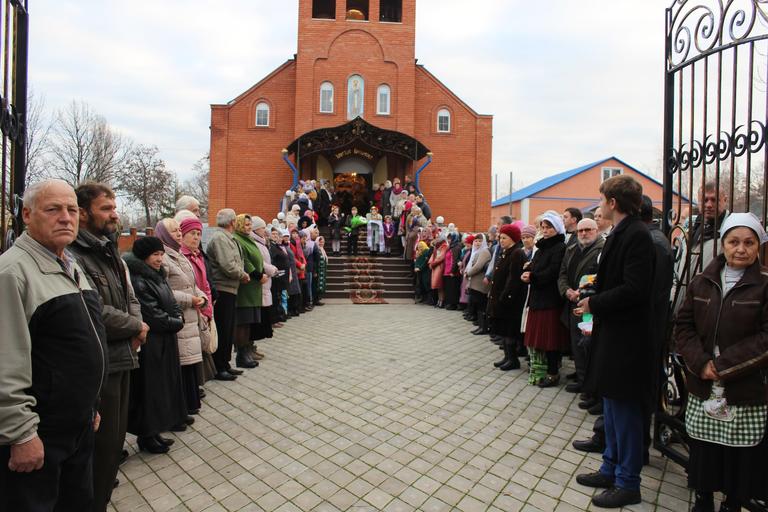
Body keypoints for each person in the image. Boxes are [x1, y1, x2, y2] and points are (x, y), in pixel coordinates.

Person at [0, 180, 107, 512]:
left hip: (77, 426)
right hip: (39, 434)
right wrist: (20, 433)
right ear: (27, 214)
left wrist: (90, 405)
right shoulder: (12, 272)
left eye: (72, 209)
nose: (66, 217)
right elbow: (5, 361)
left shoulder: (69, 263)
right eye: (53, 209)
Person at [674, 212, 768, 512]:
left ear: (758, 247)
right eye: (734, 241)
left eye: (749, 242)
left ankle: (732, 503)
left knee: (739, 454)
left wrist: (723, 366)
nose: (741, 249)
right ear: (723, 244)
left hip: (744, 386)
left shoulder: (764, 286)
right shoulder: (702, 282)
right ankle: (702, 500)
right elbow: (683, 326)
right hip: (704, 383)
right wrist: (701, 363)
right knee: (705, 450)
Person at [575, 174, 655, 508]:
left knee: (625, 414)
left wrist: (595, 302)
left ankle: (628, 482)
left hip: (627, 340)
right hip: (613, 335)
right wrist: (593, 292)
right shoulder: (621, 233)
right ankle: (610, 467)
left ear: (613, 202)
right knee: (611, 408)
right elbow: (615, 281)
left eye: (602, 199)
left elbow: (635, 290)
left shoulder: (636, 235)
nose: (598, 204)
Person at [69, 182, 147, 511]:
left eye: (114, 208)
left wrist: (138, 323)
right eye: (106, 208)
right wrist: (135, 325)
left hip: (123, 354)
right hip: (103, 360)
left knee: (113, 446)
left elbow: (129, 296)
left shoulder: (108, 248)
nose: (114, 214)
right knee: (100, 451)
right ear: (84, 213)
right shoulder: (75, 253)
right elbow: (93, 306)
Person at [123, 237, 187, 454]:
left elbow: (171, 303)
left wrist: (177, 318)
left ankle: (156, 431)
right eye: (155, 255)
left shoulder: (157, 276)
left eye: (161, 254)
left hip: (165, 339)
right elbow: (153, 314)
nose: (160, 259)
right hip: (152, 342)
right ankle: (146, 435)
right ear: (144, 257)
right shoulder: (140, 280)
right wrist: (176, 322)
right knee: (150, 390)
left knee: (161, 388)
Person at [155, 218, 206, 421]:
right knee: (182, 364)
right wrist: (190, 299)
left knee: (190, 364)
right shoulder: (163, 257)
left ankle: (188, 405)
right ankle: (179, 410)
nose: (178, 234)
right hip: (180, 316)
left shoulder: (179, 255)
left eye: (178, 230)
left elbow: (191, 283)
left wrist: (201, 296)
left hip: (192, 315)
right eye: (173, 231)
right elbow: (164, 290)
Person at [521, 212, 568, 388]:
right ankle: (541, 369)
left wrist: (532, 276)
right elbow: (536, 266)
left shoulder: (560, 247)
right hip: (537, 297)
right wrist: (528, 270)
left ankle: (553, 372)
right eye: (543, 227)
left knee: (550, 340)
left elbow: (553, 272)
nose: (545, 230)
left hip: (550, 299)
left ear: (557, 228)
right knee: (539, 339)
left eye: (549, 227)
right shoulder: (541, 248)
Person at [557, 218, 604, 393]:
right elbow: (562, 273)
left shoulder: (602, 249)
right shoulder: (571, 249)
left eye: (588, 230)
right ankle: (582, 378)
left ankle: (589, 385)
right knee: (577, 343)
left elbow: (601, 277)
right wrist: (566, 290)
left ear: (596, 230)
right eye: (580, 231)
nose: (583, 234)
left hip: (590, 304)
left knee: (588, 346)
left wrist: (581, 292)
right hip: (572, 302)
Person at [206, 208, 250, 381]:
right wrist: (243, 274)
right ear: (232, 222)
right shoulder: (220, 238)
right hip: (223, 288)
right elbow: (227, 265)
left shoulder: (227, 238)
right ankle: (219, 367)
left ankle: (225, 364)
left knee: (228, 329)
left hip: (231, 288)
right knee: (223, 329)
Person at [179, 217, 217, 383]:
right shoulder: (182, 257)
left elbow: (206, 285)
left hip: (202, 305)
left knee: (202, 345)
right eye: (192, 233)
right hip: (190, 307)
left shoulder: (198, 256)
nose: (196, 237)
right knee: (192, 349)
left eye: (199, 234)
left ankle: (198, 382)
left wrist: (207, 309)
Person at [487, 224, 527, 371]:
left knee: (509, 331)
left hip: (510, 301)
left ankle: (513, 360)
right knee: (503, 330)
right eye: (500, 237)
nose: (501, 240)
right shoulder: (507, 252)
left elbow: (513, 279)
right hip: (501, 298)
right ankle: (507, 357)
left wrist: (505, 297)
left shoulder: (517, 253)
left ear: (513, 239)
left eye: (504, 238)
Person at [232, 215, 266, 368]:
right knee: (243, 323)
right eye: (246, 224)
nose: (249, 227)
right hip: (246, 287)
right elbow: (244, 260)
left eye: (250, 224)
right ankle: (241, 354)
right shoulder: (238, 239)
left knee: (248, 323)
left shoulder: (248, 238)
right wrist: (257, 275)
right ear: (239, 225)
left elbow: (257, 257)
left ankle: (247, 351)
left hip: (253, 288)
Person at [429, 234, 449, 307]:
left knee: (440, 285)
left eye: (438, 237)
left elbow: (441, 257)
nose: (436, 238)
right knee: (437, 286)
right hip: (435, 266)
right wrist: (430, 263)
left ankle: (442, 301)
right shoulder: (437, 246)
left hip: (440, 266)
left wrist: (433, 263)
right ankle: (439, 300)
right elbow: (433, 255)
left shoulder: (444, 246)